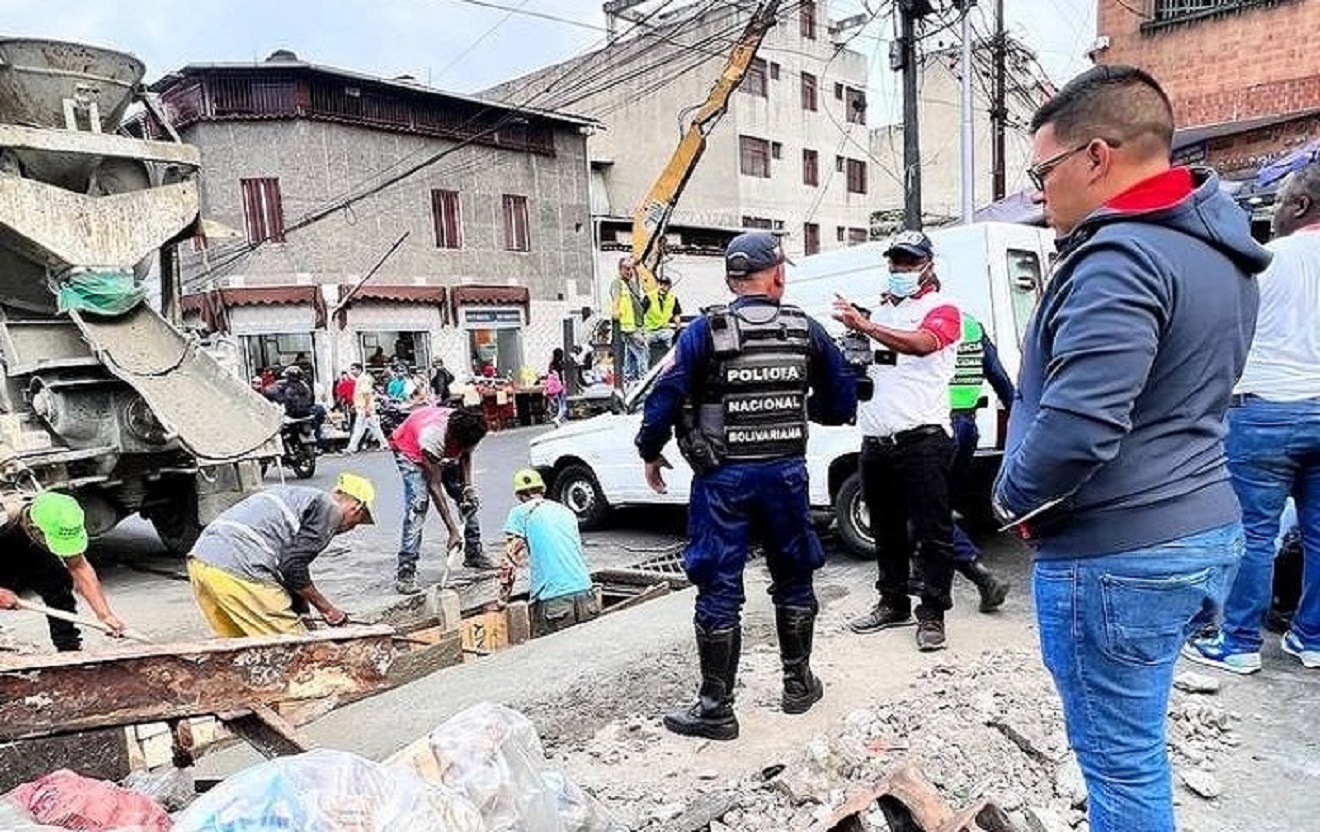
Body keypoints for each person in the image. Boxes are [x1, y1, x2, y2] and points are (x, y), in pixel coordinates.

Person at [992, 66, 1268, 832]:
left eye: (1042, 172)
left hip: (1118, 550)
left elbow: (1081, 425)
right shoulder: (1218, 250)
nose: (1039, 193)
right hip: (1199, 528)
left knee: (1121, 766)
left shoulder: (1121, 258)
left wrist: (1010, 497)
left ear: (1096, 158)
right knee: (1135, 747)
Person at [636, 231, 857, 741]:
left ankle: (716, 708)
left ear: (731, 279)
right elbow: (842, 403)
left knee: (719, 586)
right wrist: (800, 404)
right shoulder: (806, 330)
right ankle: (798, 685)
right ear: (777, 274)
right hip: (785, 476)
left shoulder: (702, 332)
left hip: (722, 480)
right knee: (794, 576)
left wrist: (650, 451)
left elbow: (664, 397)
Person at [1183, 162, 1320, 674]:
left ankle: (1238, 642)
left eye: (1281, 201)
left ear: (1302, 205)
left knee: (1254, 533)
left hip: (1265, 412)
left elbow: (1223, 335)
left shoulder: (1267, 261)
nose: (1275, 211)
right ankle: (1312, 638)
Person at [832, 230, 963, 652]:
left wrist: (866, 325)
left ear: (928, 265)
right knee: (885, 529)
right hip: (876, 440)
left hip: (922, 440)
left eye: (909, 262)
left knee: (932, 532)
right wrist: (857, 332)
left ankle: (933, 613)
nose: (900, 269)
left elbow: (924, 345)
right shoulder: (882, 310)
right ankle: (892, 602)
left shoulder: (942, 309)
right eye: (895, 262)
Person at [188, 474, 376, 637]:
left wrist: (304, 614)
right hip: (239, 568)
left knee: (243, 650)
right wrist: (328, 610)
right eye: (358, 521)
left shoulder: (296, 497)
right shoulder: (330, 510)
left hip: (202, 562)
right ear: (356, 508)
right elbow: (292, 567)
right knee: (300, 652)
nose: (351, 528)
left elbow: (290, 570)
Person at [944, 312, 1013, 612]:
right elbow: (999, 378)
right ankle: (921, 572)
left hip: (939, 428)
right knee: (941, 503)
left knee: (928, 508)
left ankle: (982, 575)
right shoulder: (972, 326)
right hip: (967, 428)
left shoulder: (925, 324)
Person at [0, 492, 128, 650]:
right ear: (35, 530)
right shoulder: (5, 519)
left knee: (57, 583)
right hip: (5, 543)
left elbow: (79, 567)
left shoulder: (59, 516)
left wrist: (105, 615)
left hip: (28, 545)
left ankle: (68, 649)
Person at [389, 405, 493, 595]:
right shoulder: (433, 439)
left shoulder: (467, 427)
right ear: (452, 438)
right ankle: (406, 570)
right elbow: (434, 486)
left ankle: (474, 553)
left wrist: (468, 487)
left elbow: (466, 454)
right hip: (409, 448)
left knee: (465, 499)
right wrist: (452, 530)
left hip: (438, 446)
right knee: (418, 505)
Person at [497, 469, 598, 636]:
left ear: (520, 496)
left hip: (553, 602)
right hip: (586, 593)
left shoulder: (520, 513)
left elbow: (509, 563)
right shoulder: (566, 511)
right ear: (542, 489)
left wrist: (502, 600)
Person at [610, 258, 649, 383]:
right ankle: (644, 379)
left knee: (631, 353)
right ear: (620, 269)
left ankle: (629, 377)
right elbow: (616, 300)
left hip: (637, 324)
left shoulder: (632, 284)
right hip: (628, 326)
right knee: (642, 350)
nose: (630, 271)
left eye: (632, 268)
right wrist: (615, 313)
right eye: (627, 268)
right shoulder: (617, 283)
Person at [346, 363, 387, 453]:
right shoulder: (360, 380)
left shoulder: (363, 379)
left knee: (358, 428)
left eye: (353, 369)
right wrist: (355, 405)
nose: (352, 371)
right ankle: (384, 444)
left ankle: (352, 447)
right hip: (363, 407)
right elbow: (360, 395)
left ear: (359, 370)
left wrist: (367, 407)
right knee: (375, 427)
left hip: (364, 408)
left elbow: (366, 394)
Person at [642, 273, 683, 364]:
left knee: (672, 341)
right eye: (661, 284)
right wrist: (640, 330)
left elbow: (676, 315)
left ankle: (671, 364)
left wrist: (678, 328)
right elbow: (640, 313)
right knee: (644, 345)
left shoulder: (673, 299)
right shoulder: (649, 297)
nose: (662, 286)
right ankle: (645, 367)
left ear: (670, 287)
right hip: (649, 330)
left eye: (665, 284)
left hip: (664, 329)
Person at [546, 349, 568, 426]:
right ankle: (558, 418)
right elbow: (563, 374)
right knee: (563, 405)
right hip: (561, 385)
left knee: (559, 403)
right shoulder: (561, 364)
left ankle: (559, 419)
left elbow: (549, 373)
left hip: (555, 387)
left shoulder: (551, 364)